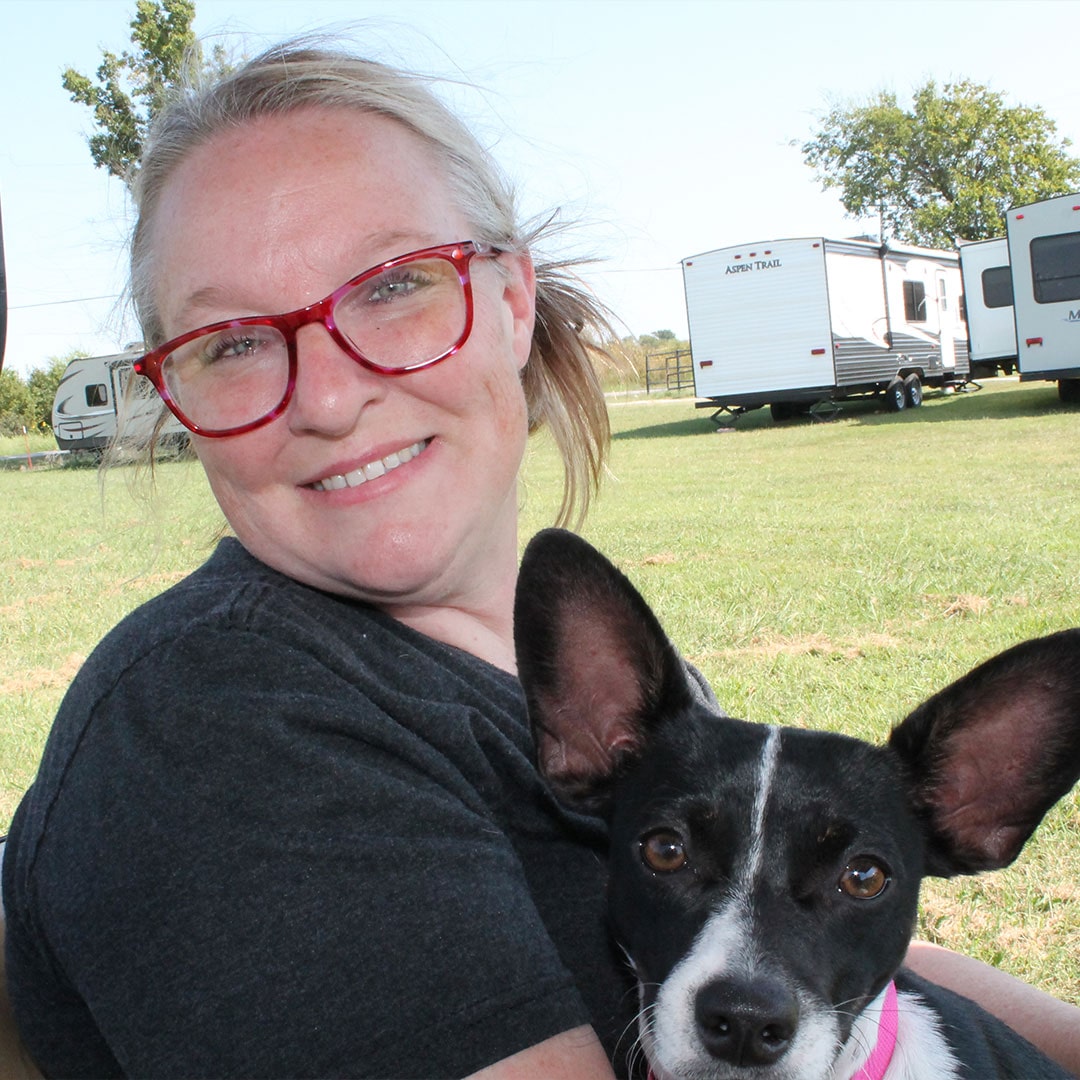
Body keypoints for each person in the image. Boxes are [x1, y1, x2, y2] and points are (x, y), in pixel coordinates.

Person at [2, 39, 1078, 1080]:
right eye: (232, 343)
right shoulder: (222, 722)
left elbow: (849, 955)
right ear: (173, 396)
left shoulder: (620, 698)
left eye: (391, 286)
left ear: (512, 303)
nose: (327, 397)